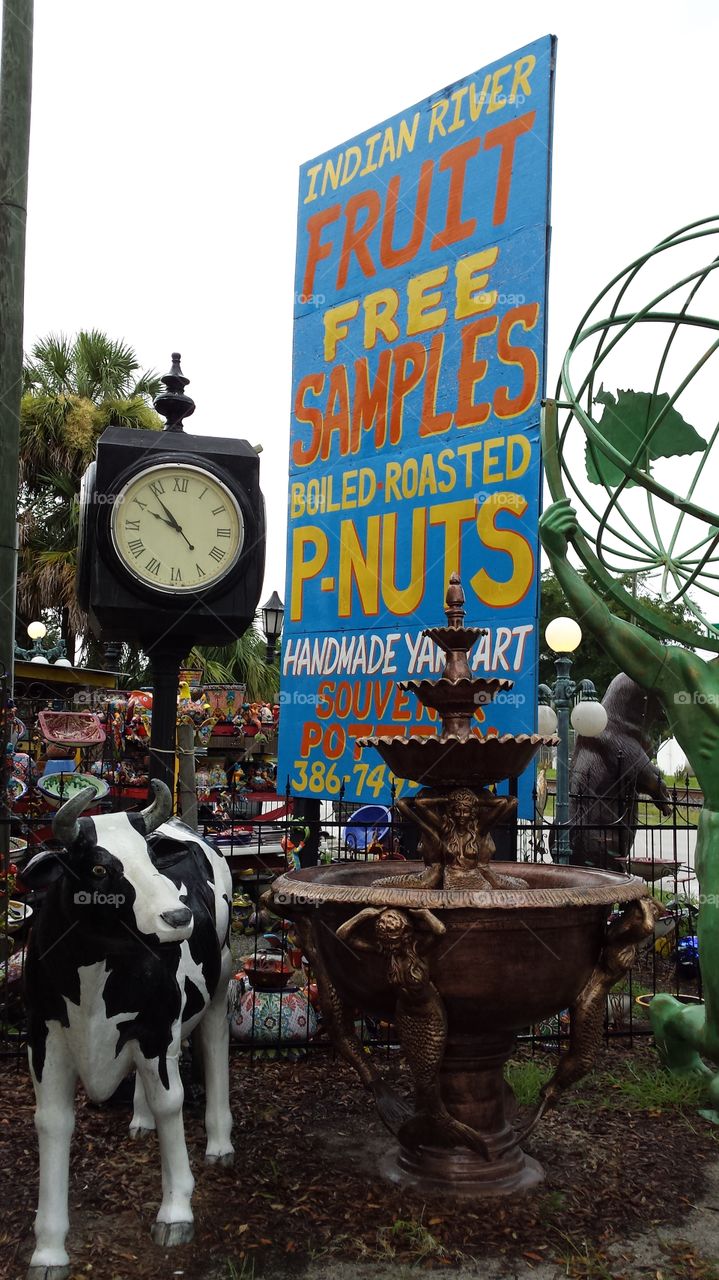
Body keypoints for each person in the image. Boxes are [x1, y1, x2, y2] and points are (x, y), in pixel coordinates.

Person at [540, 498, 719, 1116]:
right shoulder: (671, 696)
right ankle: (656, 1005)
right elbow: (617, 635)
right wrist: (562, 559)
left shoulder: (615, 730)